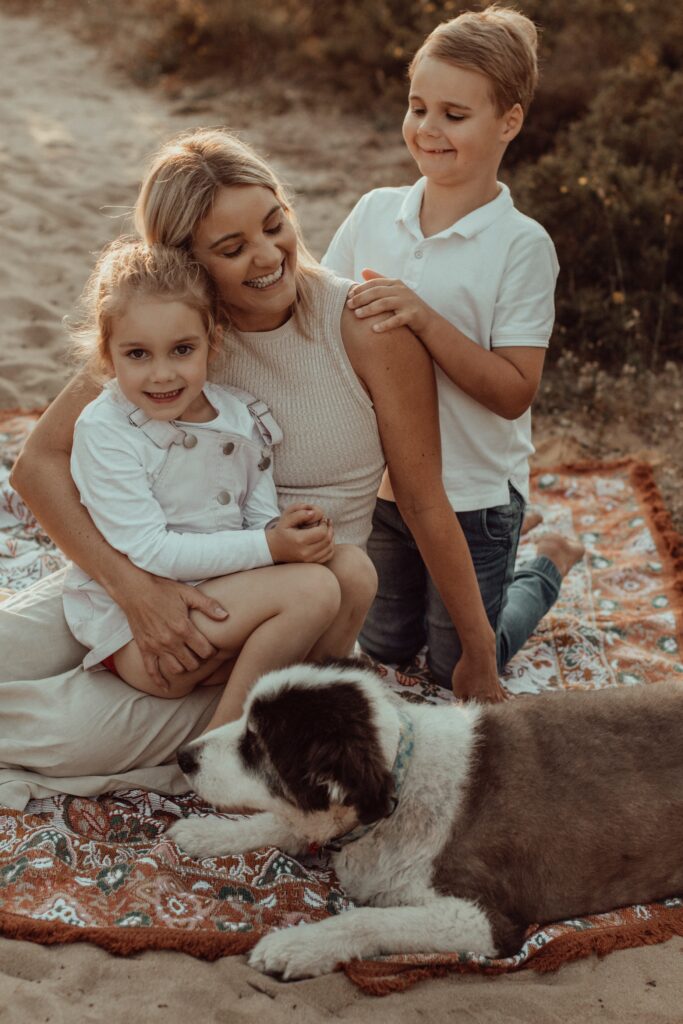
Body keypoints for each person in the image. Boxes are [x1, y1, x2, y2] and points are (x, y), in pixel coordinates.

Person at [0, 127, 498, 811]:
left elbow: (422, 501)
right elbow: (38, 463)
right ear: (188, 263)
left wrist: (479, 654)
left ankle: (218, 754)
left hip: (283, 614)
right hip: (142, 567)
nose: (268, 257)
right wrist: (136, 590)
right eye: (232, 249)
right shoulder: (172, 337)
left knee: (51, 732)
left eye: (274, 225)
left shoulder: (364, 326)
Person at [322, 4, 583, 690]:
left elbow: (512, 391)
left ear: (508, 122)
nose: (427, 129)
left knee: (460, 664)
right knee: (382, 647)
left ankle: (545, 562)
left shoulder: (521, 246)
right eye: (417, 107)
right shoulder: (374, 211)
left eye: (453, 115)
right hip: (382, 489)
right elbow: (324, 323)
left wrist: (425, 319)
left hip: (473, 498)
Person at [63, 237, 364, 732]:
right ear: (106, 354)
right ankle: (224, 748)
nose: (162, 374)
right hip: (148, 633)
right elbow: (150, 551)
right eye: (137, 354)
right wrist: (271, 546)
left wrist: (284, 529)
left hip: (222, 602)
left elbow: (256, 515)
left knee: (353, 569)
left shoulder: (240, 414)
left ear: (213, 343)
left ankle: (299, 711)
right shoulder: (105, 429)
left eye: (182, 350)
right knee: (310, 590)